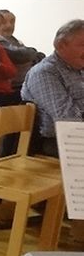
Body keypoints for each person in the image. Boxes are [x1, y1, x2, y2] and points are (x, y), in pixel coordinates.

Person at [21, 19, 84, 157]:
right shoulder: (45, 72)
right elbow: (67, 118)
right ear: (60, 45)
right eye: (82, 45)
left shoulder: (79, 68)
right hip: (56, 141)